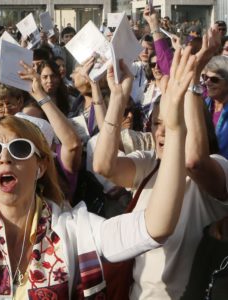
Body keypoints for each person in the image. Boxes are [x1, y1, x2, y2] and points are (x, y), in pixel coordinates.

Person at [0, 15, 189, 299]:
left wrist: (175, 130)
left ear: (41, 166)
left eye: (20, 149)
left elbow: (155, 226)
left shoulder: (72, 229)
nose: (4, 158)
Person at [93, 29, 228, 299]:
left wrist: (193, 80)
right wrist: (117, 98)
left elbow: (193, 161)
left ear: (198, 127)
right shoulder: (149, 163)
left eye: (175, 124)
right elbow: (104, 166)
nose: (163, 133)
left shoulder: (219, 166)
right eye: (157, 124)